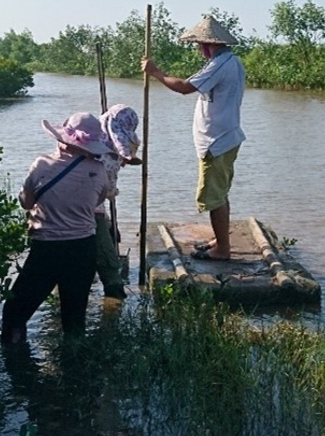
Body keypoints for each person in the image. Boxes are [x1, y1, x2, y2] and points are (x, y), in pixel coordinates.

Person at [1, 112, 112, 344]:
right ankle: (74, 370)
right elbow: (98, 200)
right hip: (83, 249)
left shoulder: (41, 164)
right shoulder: (99, 171)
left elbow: (26, 203)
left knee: (15, 312)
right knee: (74, 321)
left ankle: (16, 367)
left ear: (63, 140)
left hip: (46, 249)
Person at [141, 15, 245, 261]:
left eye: (200, 45)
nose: (199, 50)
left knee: (213, 197)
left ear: (210, 44)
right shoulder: (228, 62)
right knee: (220, 193)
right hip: (224, 137)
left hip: (217, 140)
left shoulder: (221, 63)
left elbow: (185, 87)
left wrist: (156, 73)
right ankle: (220, 241)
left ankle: (222, 250)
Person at [95, 104, 141, 300]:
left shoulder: (91, 140)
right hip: (87, 211)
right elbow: (107, 192)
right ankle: (114, 305)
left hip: (58, 212)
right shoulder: (110, 159)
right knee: (110, 266)